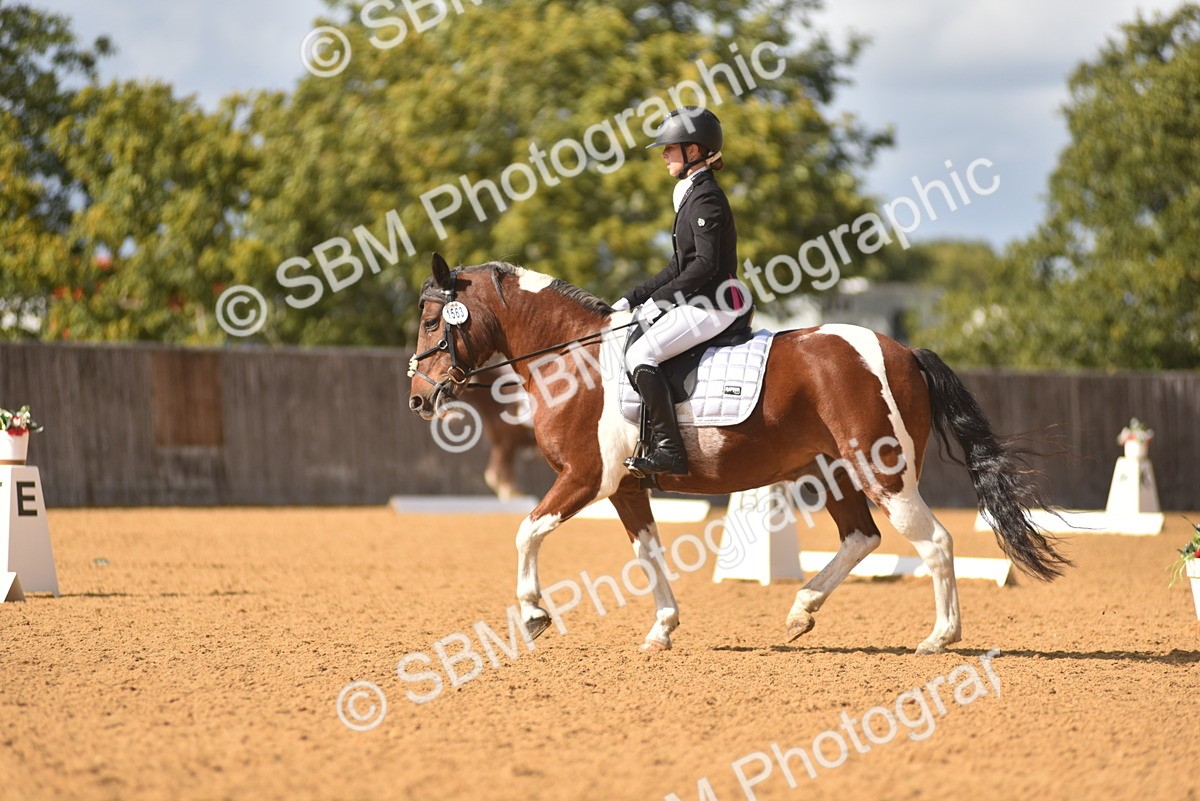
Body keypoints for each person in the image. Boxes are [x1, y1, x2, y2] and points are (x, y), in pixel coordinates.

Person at [612, 106, 745, 477]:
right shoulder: (689, 194)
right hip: (700, 299)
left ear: (694, 151)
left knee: (642, 354)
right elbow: (679, 264)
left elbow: (704, 266)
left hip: (716, 303)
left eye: (670, 147)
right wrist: (635, 296)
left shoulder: (707, 199)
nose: (663, 154)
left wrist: (660, 302)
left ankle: (670, 450)